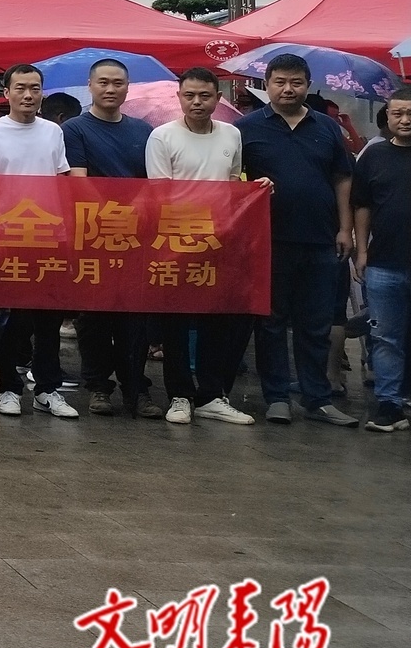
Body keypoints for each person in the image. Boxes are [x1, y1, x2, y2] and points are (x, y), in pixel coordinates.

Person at [240, 52, 358, 426]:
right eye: (280, 82)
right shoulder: (246, 128)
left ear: (307, 86)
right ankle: (276, 397)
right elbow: (233, 180)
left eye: (296, 82)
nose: (288, 89)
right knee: (271, 322)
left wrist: (345, 228)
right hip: (269, 241)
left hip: (322, 240)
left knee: (316, 323)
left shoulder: (327, 127)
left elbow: (342, 178)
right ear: (267, 85)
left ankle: (317, 398)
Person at [145, 67, 257, 427]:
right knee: (176, 321)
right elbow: (159, 194)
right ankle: (179, 395)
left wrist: (256, 190)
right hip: (176, 240)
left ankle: (211, 395)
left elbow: (234, 183)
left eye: (205, 95)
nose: (197, 102)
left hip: (219, 241)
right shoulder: (162, 136)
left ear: (217, 98)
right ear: (179, 97)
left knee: (217, 319)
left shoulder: (232, 133)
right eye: (189, 95)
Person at [63, 58, 159, 419]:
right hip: (92, 235)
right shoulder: (75, 129)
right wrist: (114, 214)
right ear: (90, 86)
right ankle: (98, 386)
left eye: (117, 83)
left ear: (127, 87)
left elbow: (154, 181)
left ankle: (137, 387)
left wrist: (136, 215)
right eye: (103, 82)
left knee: (135, 317)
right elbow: (79, 180)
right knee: (93, 316)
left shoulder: (143, 130)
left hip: (136, 237)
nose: (110, 89)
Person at [0, 64, 71, 417]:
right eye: (20, 88)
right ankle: (9, 388)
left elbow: (62, 180)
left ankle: (48, 388)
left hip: (48, 236)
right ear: (7, 92)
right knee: (11, 319)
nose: (28, 95)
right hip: (8, 237)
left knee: (48, 319)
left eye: (35, 88)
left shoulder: (53, 132)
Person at [354, 85, 411, 432]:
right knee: (385, 337)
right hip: (384, 263)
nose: (405, 120)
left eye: (410, 113)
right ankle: (389, 405)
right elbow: (362, 206)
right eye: (398, 113)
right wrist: (362, 251)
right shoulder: (374, 156)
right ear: (387, 117)